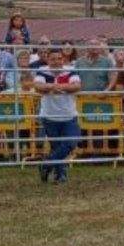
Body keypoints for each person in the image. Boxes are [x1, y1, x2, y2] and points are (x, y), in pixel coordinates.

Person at [34, 46, 81, 183]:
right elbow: (38, 87)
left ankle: (46, 164)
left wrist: (54, 87)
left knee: (71, 142)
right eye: (53, 59)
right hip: (49, 116)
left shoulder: (71, 70)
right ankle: (60, 176)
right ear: (47, 59)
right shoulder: (42, 70)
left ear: (63, 59)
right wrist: (54, 87)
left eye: (59, 59)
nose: (56, 62)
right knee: (56, 147)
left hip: (69, 115)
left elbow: (77, 86)